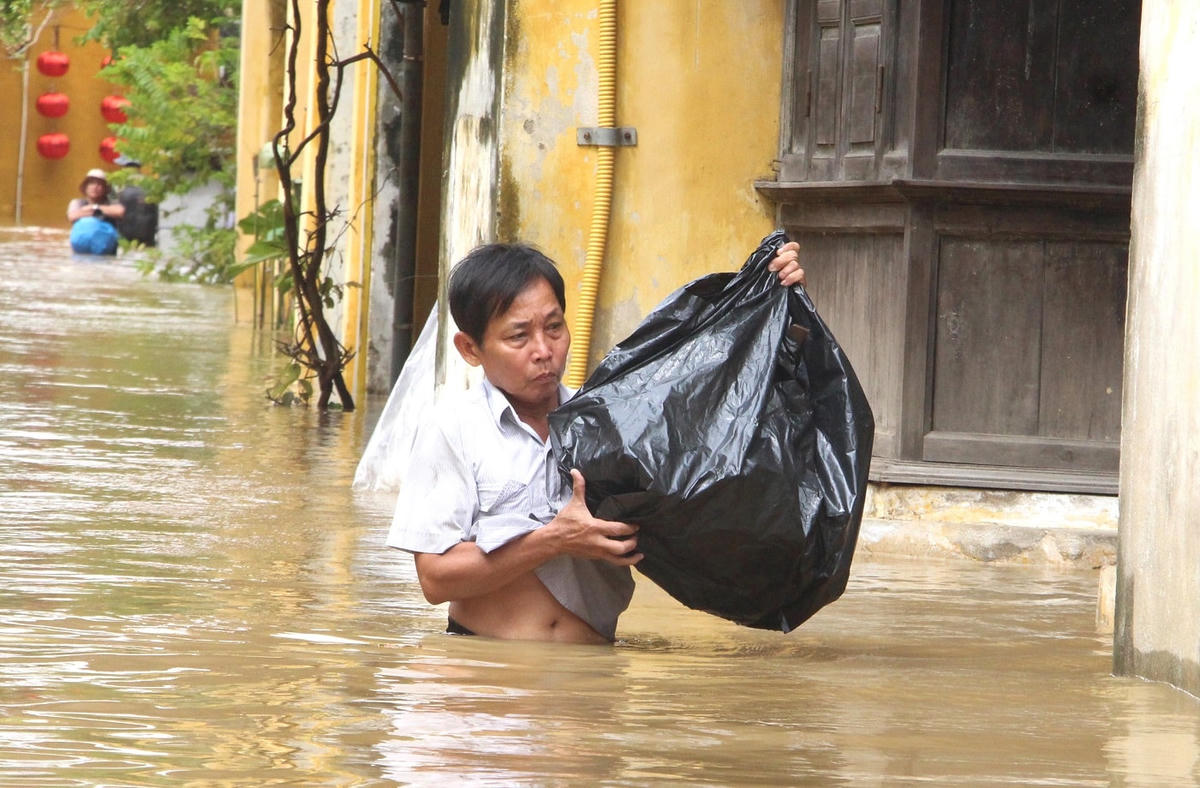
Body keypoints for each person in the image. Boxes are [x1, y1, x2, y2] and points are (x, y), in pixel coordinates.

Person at [386, 240, 805, 644]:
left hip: (591, 672)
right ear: (470, 348)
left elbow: (716, 423)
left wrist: (773, 304)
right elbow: (435, 579)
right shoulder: (453, 428)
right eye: (518, 337)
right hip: (482, 671)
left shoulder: (609, 425)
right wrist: (555, 540)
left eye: (554, 327)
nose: (543, 350)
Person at [67, 169, 126, 255]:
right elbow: (72, 216)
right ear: (85, 187)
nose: (95, 187)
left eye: (99, 184)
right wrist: (97, 212)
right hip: (81, 250)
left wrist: (94, 208)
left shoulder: (111, 204)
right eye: (91, 183)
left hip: (106, 251)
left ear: (105, 189)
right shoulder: (77, 202)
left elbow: (121, 212)